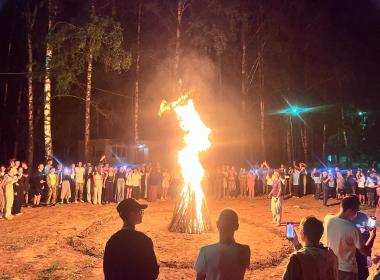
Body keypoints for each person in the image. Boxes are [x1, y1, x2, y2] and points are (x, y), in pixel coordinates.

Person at [103, 198, 159, 280]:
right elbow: (152, 272)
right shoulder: (144, 240)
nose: (142, 214)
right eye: (140, 212)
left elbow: (108, 271)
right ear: (132, 214)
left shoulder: (112, 241)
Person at [324, 195, 376, 280]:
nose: (357, 213)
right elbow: (365, 251)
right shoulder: (352, 228)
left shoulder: (328, 220)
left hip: (332, 265)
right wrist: (373, 235)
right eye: (356, 210)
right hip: (347, 270)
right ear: (350, 210)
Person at [195, 209, 250, 280]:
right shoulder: (245, 250)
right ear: (237, 226)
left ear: (217, 224)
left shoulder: (205, 252)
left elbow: (200, 278)